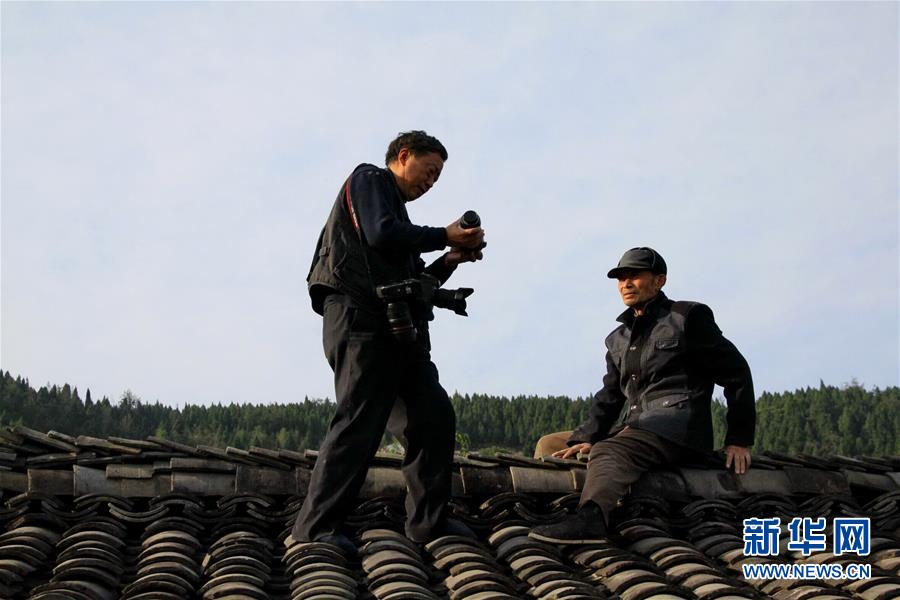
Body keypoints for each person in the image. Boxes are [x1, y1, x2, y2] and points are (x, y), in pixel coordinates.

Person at [289, 131, 485, 554]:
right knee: (360, 419)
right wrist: (446, 235)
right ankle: (316, 527)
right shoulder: (369, 180)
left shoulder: (403, 228)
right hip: (359, 320)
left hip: (399, 332)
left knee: (433, 414)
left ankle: (429, 523)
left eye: (437, 177)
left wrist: (450, 259)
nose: (431, 182)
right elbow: (380, 233)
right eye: (429, 171)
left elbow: (417, 281)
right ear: (404, 155)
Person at [530, 247, 755, 543]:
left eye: (634, 275)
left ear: (659, 281)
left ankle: (591, 518)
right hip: (634, 429)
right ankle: (559, 509)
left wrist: (739, 438)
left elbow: (736, 371)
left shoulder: (687, 317)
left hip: (676, 429)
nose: (626, 283)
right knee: (551, 444)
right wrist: (587, 437)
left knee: (608, 450)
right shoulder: (618, 339)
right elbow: (610, 396)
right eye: (621, 277)